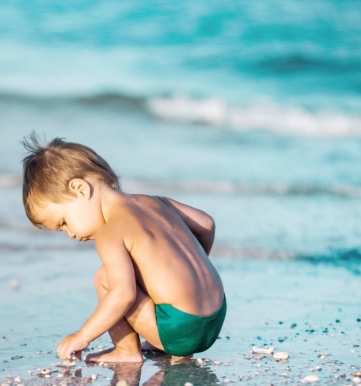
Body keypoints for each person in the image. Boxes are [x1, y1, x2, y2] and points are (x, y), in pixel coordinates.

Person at [21, 135, 226, 363]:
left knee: (104, 278)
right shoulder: (157, 201)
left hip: (180, 331)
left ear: (80, 189)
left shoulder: (111, 232)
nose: (71, 234)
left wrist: (83, 335)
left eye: (64, 222)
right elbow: (207, 224)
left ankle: (125, 350)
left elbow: (123, 294)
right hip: (217, 314)